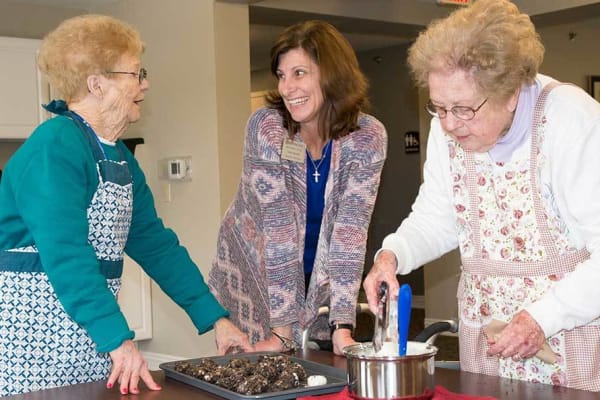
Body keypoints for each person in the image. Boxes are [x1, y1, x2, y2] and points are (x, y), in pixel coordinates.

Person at [0, 14, 252, 396]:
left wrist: (215, 318)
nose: (145, 83)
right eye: (136, 73)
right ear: (96, 84)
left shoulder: (118, 156)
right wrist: (118, 340)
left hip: (87, 337)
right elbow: (68, 256)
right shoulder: (54, 147)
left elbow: (156, 245)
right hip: (29, 348)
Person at [363, 0, 600, 391]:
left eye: (463, 109)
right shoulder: (450, 127)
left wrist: (542, 317)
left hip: (570, 338)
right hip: (486, 341)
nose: (449, 124)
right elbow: (438, 215)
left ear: (511, 93)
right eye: (439, 107)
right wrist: (392, 255)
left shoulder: (571, 121)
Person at [208, 20, 387, 356]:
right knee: (257, 379)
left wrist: (343, 325)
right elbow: (279, 231)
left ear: (332, 74)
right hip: (254, 275)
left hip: (316, 282)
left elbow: (351, 233)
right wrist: (281, 333)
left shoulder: (368, 137)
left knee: (316, 376)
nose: (288, 87)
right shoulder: (268, 128)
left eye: (300, 73)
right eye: (281, 75)